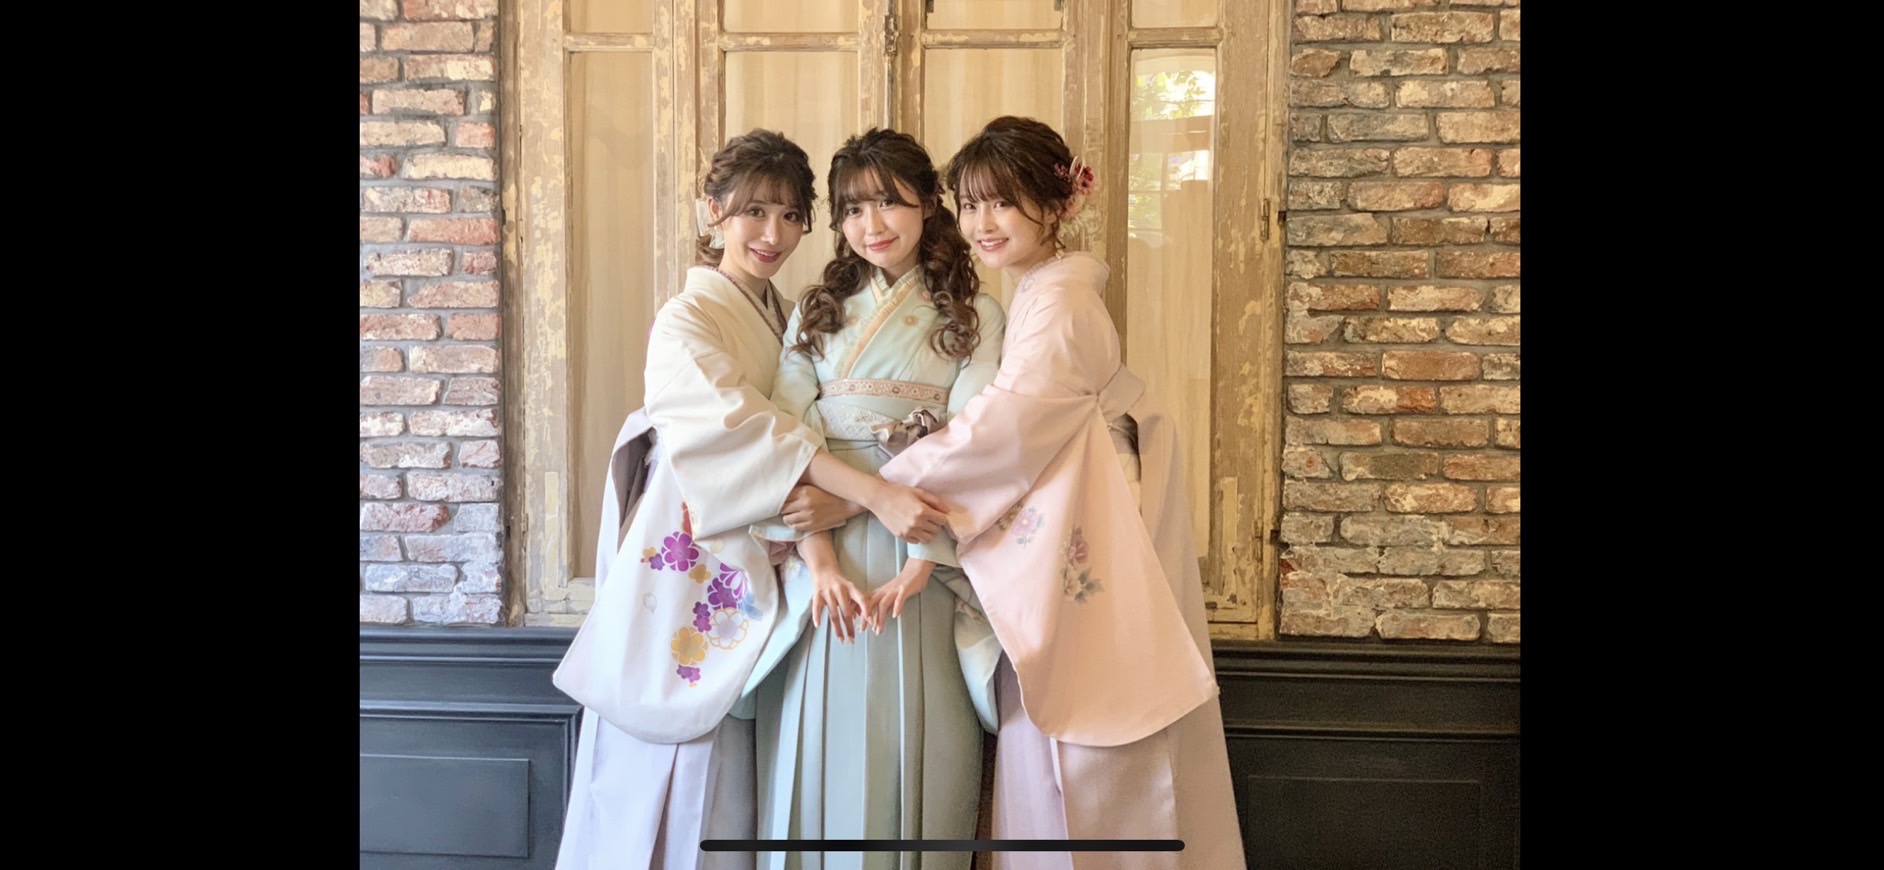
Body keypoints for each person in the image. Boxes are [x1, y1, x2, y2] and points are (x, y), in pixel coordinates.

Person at [553, 129, 953, 870]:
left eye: (791, 216)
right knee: (667, 753)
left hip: (773, 543)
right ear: (713, 211)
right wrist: (867, 491)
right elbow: (745, 426)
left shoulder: (791, 312)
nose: (773, 235)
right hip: (696, 546)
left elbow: (814, 426)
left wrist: (848, 502)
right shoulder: (687, 319)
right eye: (754, 212)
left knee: (738, 767)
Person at [878, 116, 1246, 870]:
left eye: (1002, 203)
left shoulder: (1062, 302)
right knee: (1080, 728)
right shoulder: (1045, 292)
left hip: (1094, 517)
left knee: (1089, 738)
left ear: (1059, 205)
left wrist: (886, 482)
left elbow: (1007, 426)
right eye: (969, 204)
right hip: (1078, 506)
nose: (982, 223)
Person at [750, 128, 1007, 870]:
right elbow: (788, 437)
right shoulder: (817, 310)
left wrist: (912, 549)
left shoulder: (976, 314)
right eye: (854, 209)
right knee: (819, 740)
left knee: (920, 741)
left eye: (890, 202)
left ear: (928, 203)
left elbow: (973, 442)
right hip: (827, 560)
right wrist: (821, 561)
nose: (873, 225)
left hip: (921, 551)